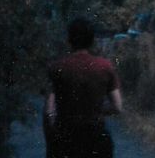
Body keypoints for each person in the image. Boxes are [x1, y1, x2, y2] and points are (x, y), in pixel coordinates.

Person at [45, 17, 123, 158]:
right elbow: (117, 107)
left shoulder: (57, 67)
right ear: (92, 41)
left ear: (69, 40)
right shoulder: (105, 66)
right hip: (95, 137)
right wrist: (96, 109)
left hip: (66, 137)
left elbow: (50, 110)